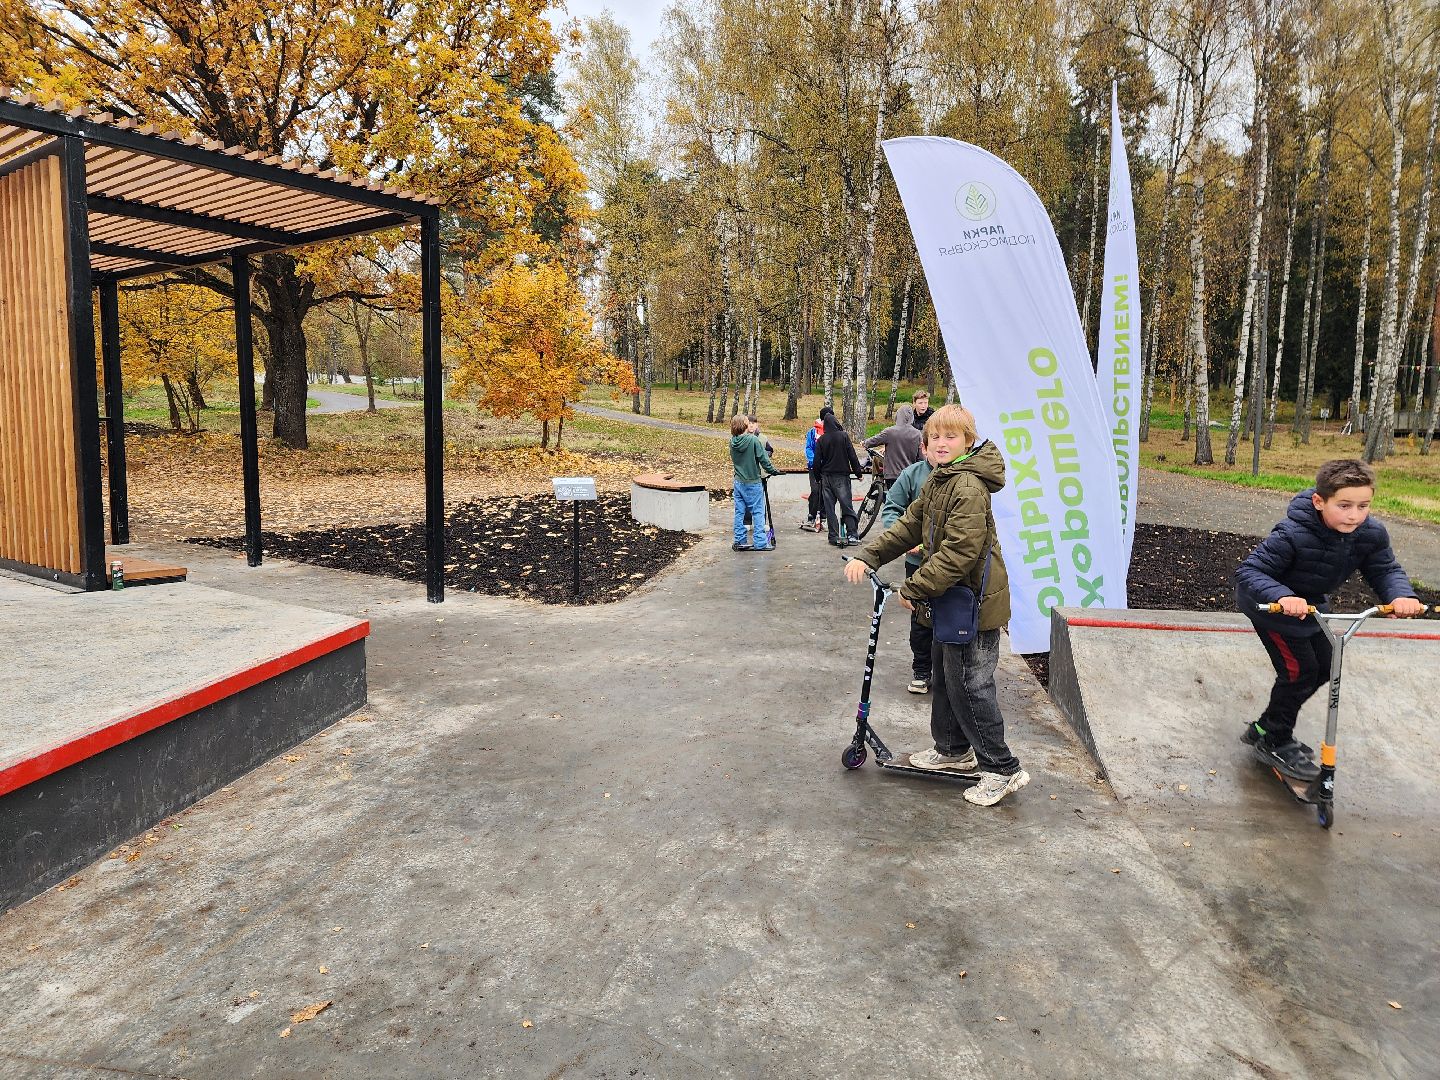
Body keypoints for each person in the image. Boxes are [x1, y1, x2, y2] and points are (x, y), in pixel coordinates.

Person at [843, 404, 1028, 807]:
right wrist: (869, 555)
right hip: (952, 600)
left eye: (951, 437)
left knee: (971, 685)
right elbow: (910, 523)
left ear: (968, 442)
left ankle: (1001, 769)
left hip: (972, 604)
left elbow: (960, 553)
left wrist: (914, 588)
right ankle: (952, 751)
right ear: (925, 445)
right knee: (947, 677)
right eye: (935, 438)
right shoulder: (940, 480)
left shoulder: (968, 487)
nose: (941, 444)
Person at [1234, 459, 1424, 779]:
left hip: (1311, 606)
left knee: (1325, 667)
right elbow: (1250, 571)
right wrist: (1282, 597)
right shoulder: (1292, 533)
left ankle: (1265, 727)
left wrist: (1401, 597)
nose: (1355, 515)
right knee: (1300, 671)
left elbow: (1385, 569)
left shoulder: (1370, 533)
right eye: (1345, 505)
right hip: (1272, 607)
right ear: (1319, 501)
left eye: (1363, 505)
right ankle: (1275, 740)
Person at [881, 426, 940, 695]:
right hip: (918, 565)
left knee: (952, 618)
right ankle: (921, 670)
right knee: (920, 619)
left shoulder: (963, 478)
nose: (940, 450)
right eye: (932, 445)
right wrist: (907, 542)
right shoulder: (912, 475)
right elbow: (892, 509)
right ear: (924, 448)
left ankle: (947, 672)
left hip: (952, 568)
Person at [729, 414, 779, 551]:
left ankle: (739, 540)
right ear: (744, 425)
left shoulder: (732, 441)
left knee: (739, 512)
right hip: (753, 481)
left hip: (738, 482)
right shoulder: (753, 440)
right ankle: (760, 542)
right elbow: (764, 460)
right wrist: (773, 471)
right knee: (757, 512)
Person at [813, 410, 863, 547]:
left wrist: (818, 478)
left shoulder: (821, 439)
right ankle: (852, 534)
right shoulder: (843, 436)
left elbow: (816, 462)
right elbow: (852, 455)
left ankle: (833, 536)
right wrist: (858, 473)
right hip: (841, 476)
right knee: (846, 505)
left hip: (826, 477)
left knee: (830, 508)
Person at [864, 404, 923, 482]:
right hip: (909, 476)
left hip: (893, 475)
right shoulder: (917, 434)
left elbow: (873, 441)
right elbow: (921, 457)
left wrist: (865, 443)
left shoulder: (890, 432)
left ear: (898, 416)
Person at [801, 412, 826, 532]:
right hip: (813, 467)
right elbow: (808, 448)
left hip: (827, 467)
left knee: (825, 491)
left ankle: (824, 517)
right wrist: (814, 461)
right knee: (815, 490)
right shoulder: (812, 432)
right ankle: (811, 515)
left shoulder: (830, 431)